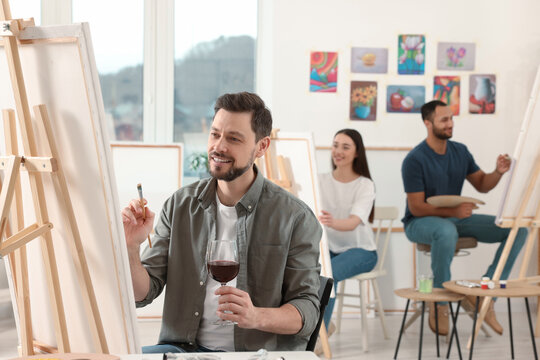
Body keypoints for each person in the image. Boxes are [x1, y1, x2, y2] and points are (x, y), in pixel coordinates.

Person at [122, 92, 322, 353]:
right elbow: (141, 294)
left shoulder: (295, 217)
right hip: (183, 350)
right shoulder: (180, 205)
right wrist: (130, 247)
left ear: (261, 147)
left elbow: (307, 310)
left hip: (255, 356)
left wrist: (255, 316)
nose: (219, 146)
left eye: (234, 138)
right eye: (215, 134)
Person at [401, 100, 527, 336]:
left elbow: (481, 184)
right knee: (446, 231)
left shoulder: (460, 151)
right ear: (428, 123)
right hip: (419, 223)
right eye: (444, 120)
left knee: (517, 230)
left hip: (454, 219)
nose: (451, 124)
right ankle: (439, 303)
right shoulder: (414, 159)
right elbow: (417, 208)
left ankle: (484, 296)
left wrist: (497, 172)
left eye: (451, 118)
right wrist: (452, 213)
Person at [317, 129, 378, 336]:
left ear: (357, 153)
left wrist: (331, 222)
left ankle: (319, 335)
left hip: (362, 251)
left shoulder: (365, 185)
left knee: (327, 275)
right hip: (330, 248)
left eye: (345, 147)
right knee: (307, 274)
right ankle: (314, 329)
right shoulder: (320, 180)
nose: (338, 151)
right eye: (335, 145)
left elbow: (353, 222)